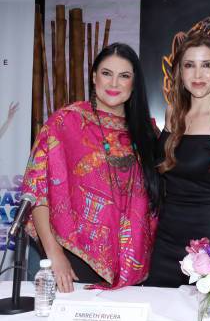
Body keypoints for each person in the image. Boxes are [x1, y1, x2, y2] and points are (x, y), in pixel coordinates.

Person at [22, 43, 160, 292]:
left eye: (124, 76)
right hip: (74, 258)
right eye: (107, 73)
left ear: (134, 82)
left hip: (133, 265)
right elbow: (37, 191)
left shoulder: (148, 133)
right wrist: (55, 255)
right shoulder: (65, 123)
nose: (114, 83)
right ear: (94, 76)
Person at [146, 31, 210, 288]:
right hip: (166, 239)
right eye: (189, 65)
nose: (198, 74)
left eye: (207, 65)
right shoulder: (172, 116)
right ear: (179, 73)